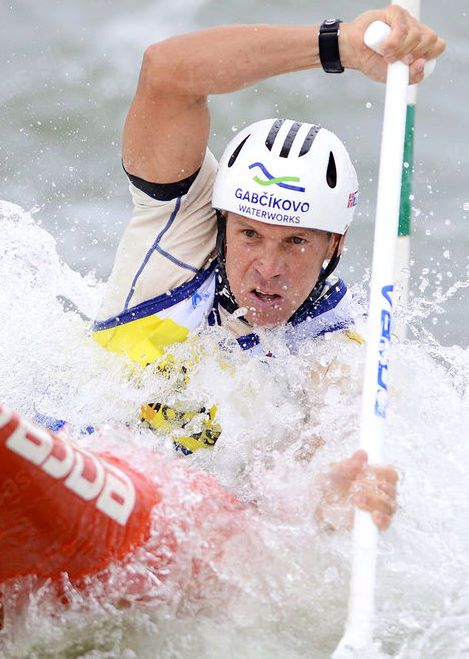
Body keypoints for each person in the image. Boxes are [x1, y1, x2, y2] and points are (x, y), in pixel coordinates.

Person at [89, 6, 446, 532]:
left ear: (334, 244)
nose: (268, 269)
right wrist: (342, 46)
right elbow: (167, 72)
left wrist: (338, 500)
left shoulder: (338, 352)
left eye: (296, 242)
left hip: (192, 532)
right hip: (80, 457)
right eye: (250, 235)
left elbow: (312, 492)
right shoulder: (179, 225)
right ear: (222, 220)